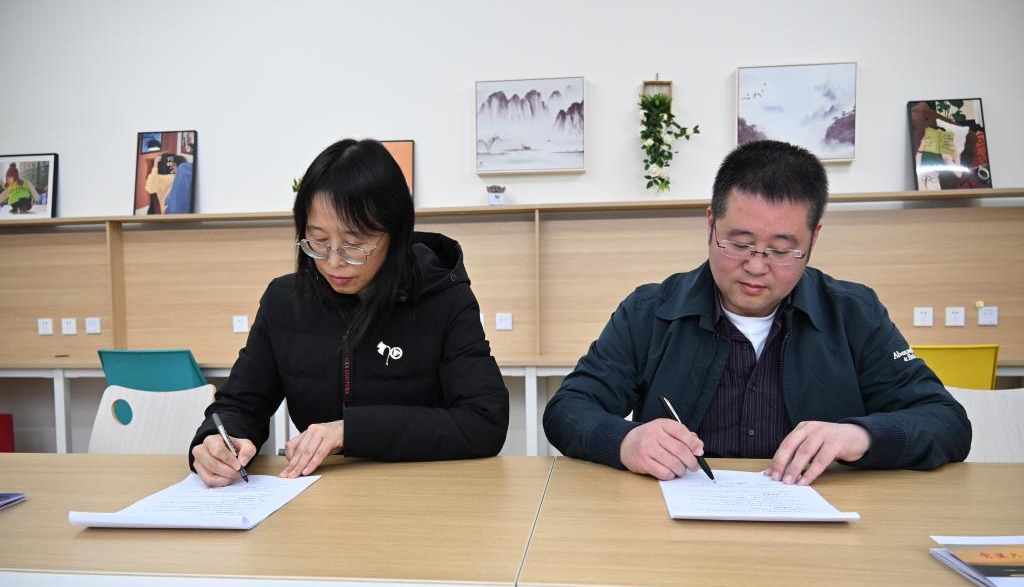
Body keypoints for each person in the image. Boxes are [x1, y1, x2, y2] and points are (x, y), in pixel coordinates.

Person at [543, 140, 970, 485]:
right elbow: (568, 408)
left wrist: (857, 436)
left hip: (819, 529)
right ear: (710, 224)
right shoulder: (650, 312)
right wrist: (626, 441)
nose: (756, 266)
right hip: (674, 526)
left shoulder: (854, 315)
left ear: (814, 238)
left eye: (781, 250)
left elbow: (946, 422)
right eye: (739, 243)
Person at [189, 138, 509, 487]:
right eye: (318, 241)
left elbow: (484, 422)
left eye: (354, 244)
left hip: (424, 492)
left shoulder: (445, 298)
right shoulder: (284, 301)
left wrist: (349, 431)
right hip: (323, 493)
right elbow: (240, 403)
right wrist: (218, 440)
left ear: (396, 234)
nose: (333, 261)